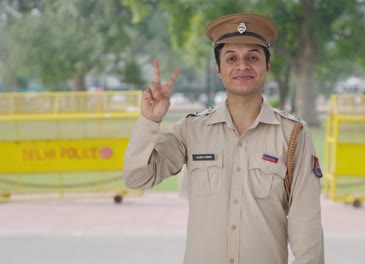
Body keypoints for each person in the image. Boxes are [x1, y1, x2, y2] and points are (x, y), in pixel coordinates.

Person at [123, 13, 324, 264]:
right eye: (231, 58)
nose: (242, 65)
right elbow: (136, 177)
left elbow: (306, 222)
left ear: (267, 67)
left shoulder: (293, 134)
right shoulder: (192, 130)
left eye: (253, 57)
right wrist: (150, 121)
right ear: (219, 69)